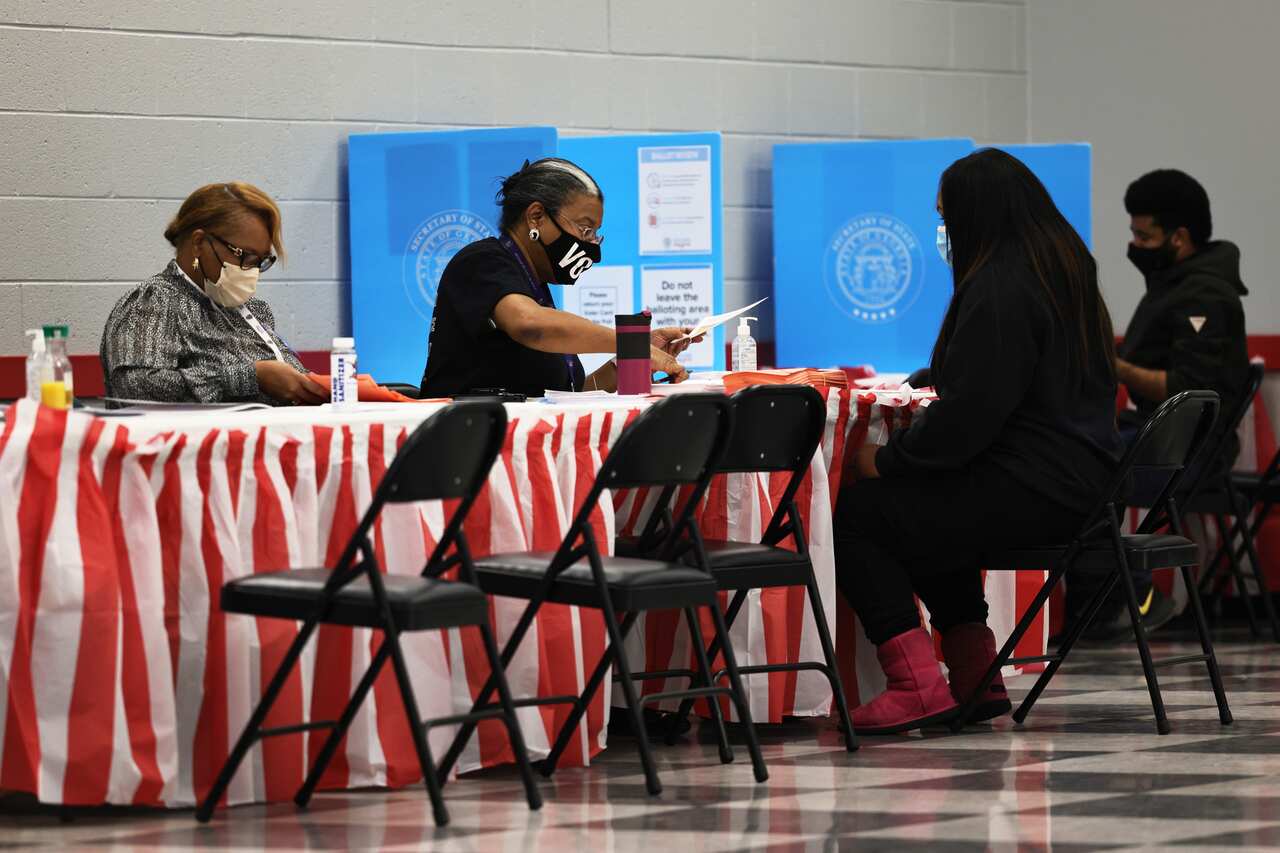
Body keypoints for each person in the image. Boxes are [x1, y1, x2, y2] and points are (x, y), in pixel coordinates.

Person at [832, 148, 1123, 734]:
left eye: (947, 216)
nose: (943, 231)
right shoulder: (1063, 268)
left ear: (977, 215)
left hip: (1036, 488)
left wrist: (887, 459)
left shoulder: (999, 284)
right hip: (1081, 483)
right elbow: (1021, 377)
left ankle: (915, 686)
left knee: (863, 513)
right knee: (929, 506)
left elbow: (970, 420)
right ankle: (974, 674)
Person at [1069, 169, 1250, 640]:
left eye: (1142, 235)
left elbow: (1186, 392)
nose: (1134, 244)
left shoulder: (1205, 295)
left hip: (1192, 451)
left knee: (1086, 468)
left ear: (1180, 237)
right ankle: (1103, 602)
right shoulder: (1175, 284)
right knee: (1077, 455)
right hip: (1164, 437)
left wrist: (1112, 364)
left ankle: (1134, 599)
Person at [419, 158, 692, 398]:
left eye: (595, 233)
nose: (592, 245)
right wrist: (628, 341)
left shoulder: (533, 287)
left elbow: (566, 397)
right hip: (466, 443)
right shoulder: (482, 262)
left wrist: (631, 359)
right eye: (585, 229)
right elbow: (528, 323)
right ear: (536, 217)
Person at [101, 182, 324, 406]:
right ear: (199, 243)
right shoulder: (155, 301)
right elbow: (133, 389)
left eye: (260, 262)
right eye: (245, 256)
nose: (253, 271)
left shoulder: (253, 311)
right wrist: (251, 377)